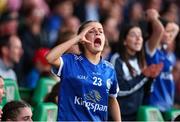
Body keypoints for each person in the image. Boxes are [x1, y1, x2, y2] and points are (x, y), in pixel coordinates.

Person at [46, 20, 121, 121]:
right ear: (83, 39)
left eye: (101, 31)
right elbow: (49, 58)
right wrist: (76, 38)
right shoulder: (70, 61)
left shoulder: (109, 69)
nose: (98, 33)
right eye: (91, 31)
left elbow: (112, 99)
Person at [110, 21, 163, 120]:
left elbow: (144, 90)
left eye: (140, 35)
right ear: (124, 41)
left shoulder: (141, 60)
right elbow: (119, 89)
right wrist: (143, 75)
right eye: (134, 35)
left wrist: (151, 77)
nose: (138, 39)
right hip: (120, 116)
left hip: (137, 114)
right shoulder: (116, 59)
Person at [144, 11, 179, 112]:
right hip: (154, 105)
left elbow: (176, 28)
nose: (169, 35)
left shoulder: (163, 50)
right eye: (166, 32)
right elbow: (159, 30)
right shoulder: (151, 49)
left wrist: (158, 17)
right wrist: (154, 18)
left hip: (167, 105)